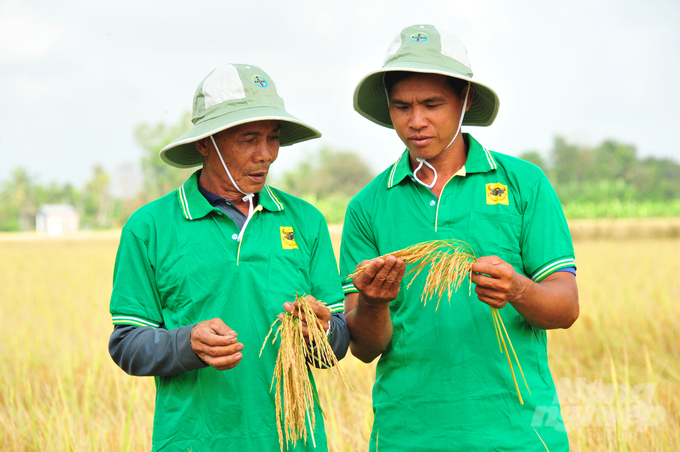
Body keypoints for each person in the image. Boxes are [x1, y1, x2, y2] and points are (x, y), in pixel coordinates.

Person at [340, 25, 579, 451]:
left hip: (518, 433)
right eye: (401, 107)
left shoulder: (523, 184)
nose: (416, 122)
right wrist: (375, 301)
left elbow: (565, 308)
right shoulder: (368, 206)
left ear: (465, 100)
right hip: (408, 434)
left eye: (432, 104)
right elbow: (364, 347)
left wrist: (518, 289)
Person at [108, 63, 349, 451]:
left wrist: (321, 332)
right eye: (249, 138)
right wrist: (187, 343)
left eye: (273, 138)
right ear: (206, 143)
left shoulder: (306, 222)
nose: (266, 154)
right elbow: (127, 343)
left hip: (294, 440)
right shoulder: (150, 227)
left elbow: (336, 343)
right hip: (195, 441)